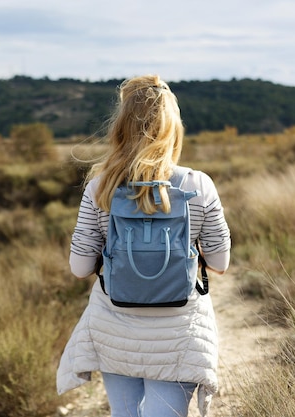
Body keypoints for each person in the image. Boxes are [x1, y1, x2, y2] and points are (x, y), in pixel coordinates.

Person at [56, 74, 232, 417]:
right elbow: (220, 263)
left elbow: (79, 268)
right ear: (172, 128)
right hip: (179, 331)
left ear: (120, 127)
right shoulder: (198, 184)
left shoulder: (99, 188)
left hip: (115, 326)